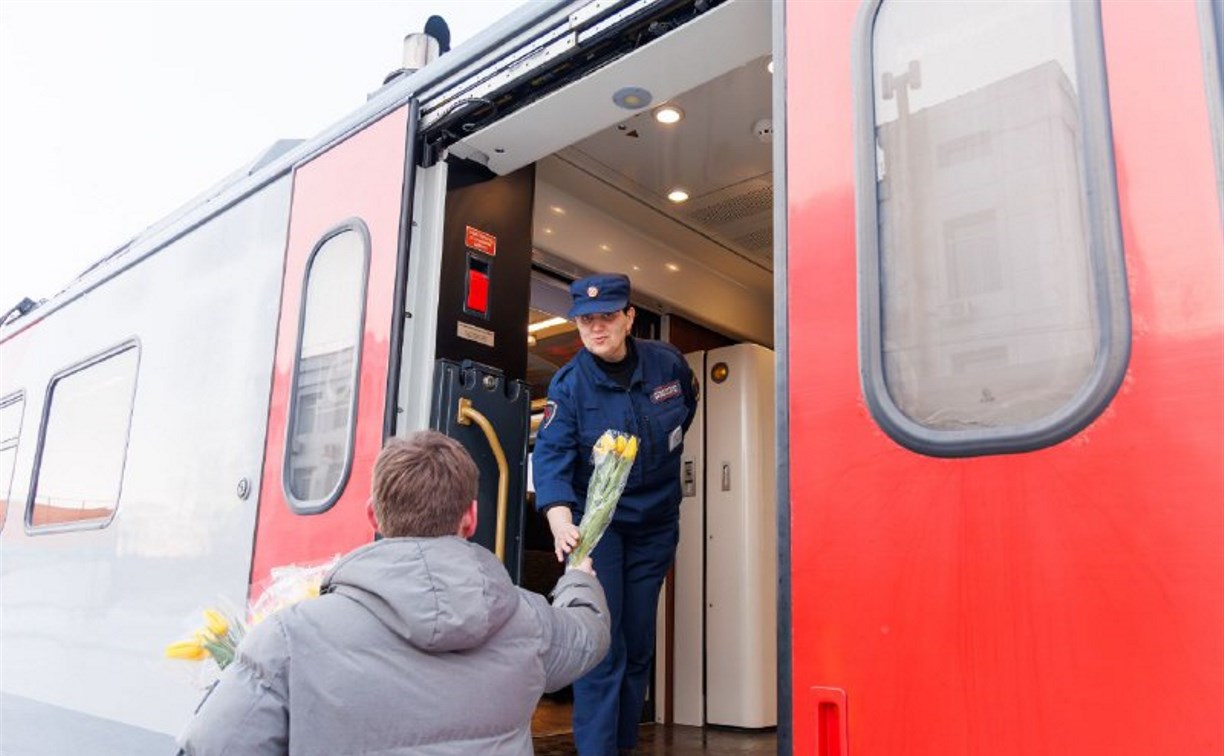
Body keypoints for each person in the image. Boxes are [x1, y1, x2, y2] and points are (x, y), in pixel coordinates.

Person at [178, 430, 610, 756]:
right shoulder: (528, 619)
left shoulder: (288, 637)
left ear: (374, 515)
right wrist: (580, 576)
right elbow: (588, 637)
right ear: (471, 517)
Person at [532, 273, 698, 755]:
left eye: (606, 316)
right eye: (586, 320)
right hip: (598, 531)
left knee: (638, 644)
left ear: (629, 317)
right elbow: (552, 460)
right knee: (603, 648)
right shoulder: (568, 387)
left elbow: (686, 410)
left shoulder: (667, 365)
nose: (596, 328)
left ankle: (622, 746)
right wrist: (562, 522)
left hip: (655, 525)